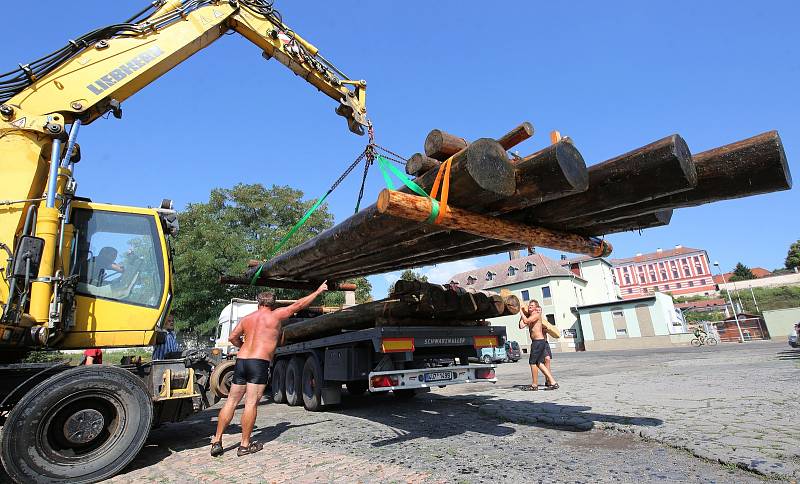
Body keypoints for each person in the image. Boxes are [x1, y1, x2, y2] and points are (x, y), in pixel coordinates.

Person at [210, 281, 328, 457]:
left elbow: (232, 337)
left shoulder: (247, 319)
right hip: (259, 362)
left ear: (258, 303)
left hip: (242, 361)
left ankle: (217, 441)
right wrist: (318, 290)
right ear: (272, 305)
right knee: (250, 403)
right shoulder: (275, 316)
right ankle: (244, 445)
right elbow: (298, 304)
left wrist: (242, 345)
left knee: (231, 402)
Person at [519, 300, 558, 391]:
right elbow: (521, 325)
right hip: (537, 342)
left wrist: (520, 311)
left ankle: (534, 385)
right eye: (529, 305)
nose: (530, 306)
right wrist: (524, 313)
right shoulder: (530, 316)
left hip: (538, 342)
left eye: (532, 305)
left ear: (536, 308)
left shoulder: (536, 315)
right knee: (539, 363)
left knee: (532, 363)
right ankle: (552, 382)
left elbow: (526, 320)